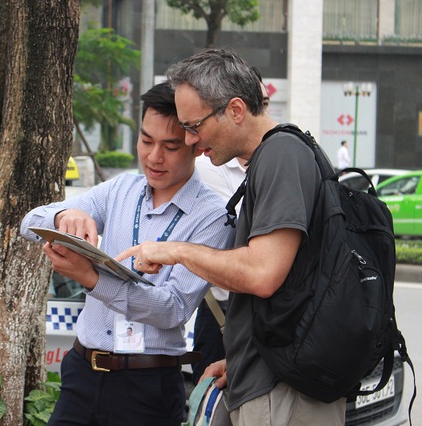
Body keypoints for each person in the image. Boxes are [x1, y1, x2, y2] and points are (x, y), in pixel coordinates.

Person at [117, 49, 347, 425]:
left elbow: (262, 274)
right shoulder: (275, 156)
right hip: (270, 376)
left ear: (236, 110)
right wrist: (243, 359)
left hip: (282, 393)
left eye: (194, 126)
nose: (190, 141)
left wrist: (176, 250)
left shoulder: (281, 156)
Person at [20, 82, 234, 426]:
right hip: (81, 372)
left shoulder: (213, 217)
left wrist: (90, 278)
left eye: (170, 146)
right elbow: (30, 222)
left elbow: (173, 308)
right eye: (146, 141)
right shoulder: (121, 189)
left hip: (147, 385)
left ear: (196, 146)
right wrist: (64, 216)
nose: (154, 157)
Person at [191, 75, 270, 384]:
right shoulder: (207, 166)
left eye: (264, 104)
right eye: (256, 104)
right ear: (236, 109)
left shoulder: (279, 159)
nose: (260, 114)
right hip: (220, 312)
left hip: (268, 313)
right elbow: (236, 230)